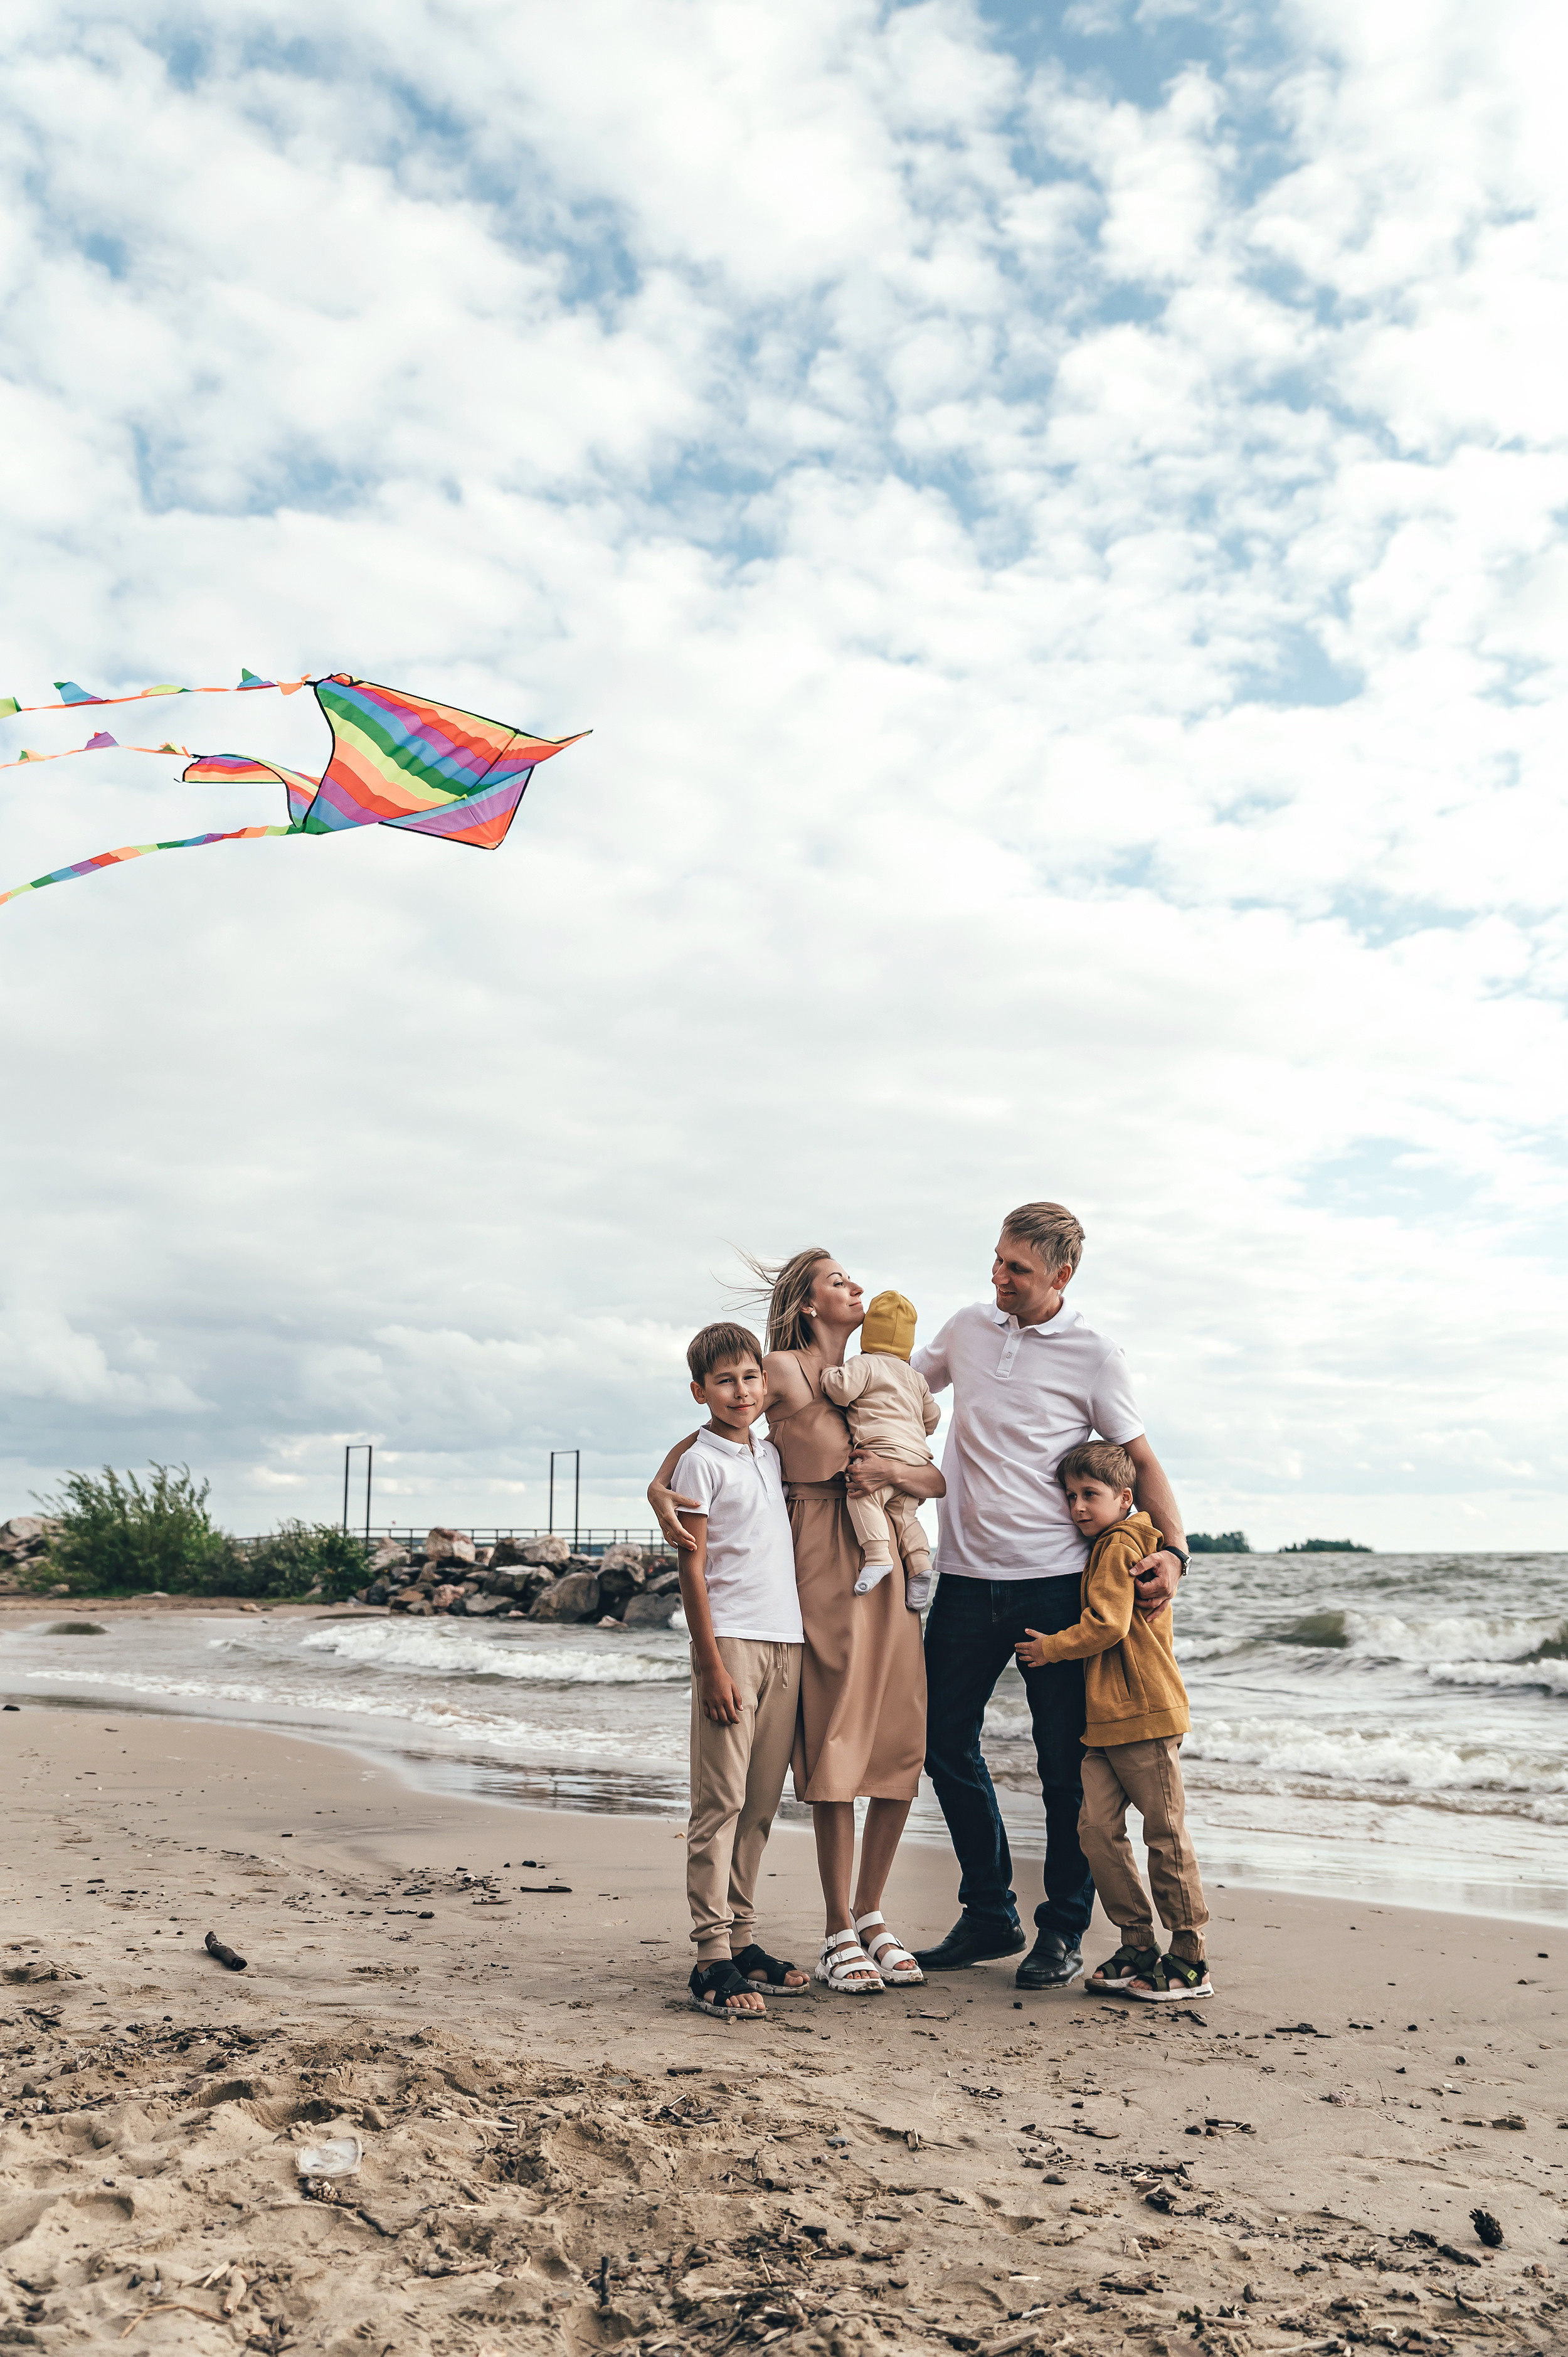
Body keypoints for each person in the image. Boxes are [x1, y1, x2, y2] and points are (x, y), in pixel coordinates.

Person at [911, 1202, 1189, 1990]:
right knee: (940, 1744)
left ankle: (1062, 1930)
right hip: (964, 1579)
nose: (997, 1276)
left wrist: (1174, 1551)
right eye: (996, 1261)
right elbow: (900, 1386)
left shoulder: (1095, 1355)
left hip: (1054, 1584)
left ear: (1060, 1275)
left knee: (1064, 1768)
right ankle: (989, 1909)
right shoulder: (968, 1326)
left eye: (1016, 1268)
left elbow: (1140, 1458)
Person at [650, 1252, 945, 1994]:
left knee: (900, 1741)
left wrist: (889, 1475)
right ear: (808, 1304)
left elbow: (929, 1473)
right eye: (838, 1280)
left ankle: (870, 1916)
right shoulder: (779, 1369)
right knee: (834, 1745)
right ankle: (831, 1926)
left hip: (887, 1566)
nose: (856, 1286)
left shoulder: (883, 1374)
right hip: (818, 1569)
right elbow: (712, 1436)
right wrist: (660, 1487)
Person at [1015, 1440, 1212, 2001]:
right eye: (1071, 1495)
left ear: (1125, 1497)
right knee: (1096, 1830)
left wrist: (1051, 1649)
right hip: (1105, 1720)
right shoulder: (1106, 1542)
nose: (1077, 1505)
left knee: (1164, 1832)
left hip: (1143, 1712)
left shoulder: (1120, 1542)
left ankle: (1190, 1954)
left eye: (1090, 1495)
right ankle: (1136, 1943)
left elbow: (1107, 1623)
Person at [670, 1320, 811, 2017]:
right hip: (730, 1644)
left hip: (787, 1642)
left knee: (760, 1805)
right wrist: (710, 1663)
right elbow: (690, 1567)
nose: (741, 1390)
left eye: (750, 1376)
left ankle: (744, 1936)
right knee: (718, 1804)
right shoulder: (700, 1462)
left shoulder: (770, 1452)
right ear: (699, 1391)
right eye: (723, 1380)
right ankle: (709, 1955)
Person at [820, 1289, 941, 1599]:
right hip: (916, 1457)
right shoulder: (915, 1377)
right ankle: (920, 1566)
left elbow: (841, 1391)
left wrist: (828, 1374)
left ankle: (877, 1557)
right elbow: (933, 1417)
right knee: (905, 1516)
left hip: (882, 1450)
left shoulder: (866, 1364)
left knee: (863, 1496)